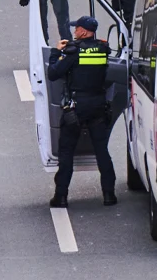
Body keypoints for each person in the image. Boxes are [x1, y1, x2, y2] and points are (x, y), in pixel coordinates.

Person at [48, 16, 117, 208]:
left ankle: (61, 196)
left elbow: (53, 73)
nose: (74, 31)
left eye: (77, 28)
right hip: (98, 105)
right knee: (102, 151)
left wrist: (56, 52)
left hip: (76, 107)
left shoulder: (73, 51)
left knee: (66, 152)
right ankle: (109, 194)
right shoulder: (103, 49)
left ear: (84, 32)